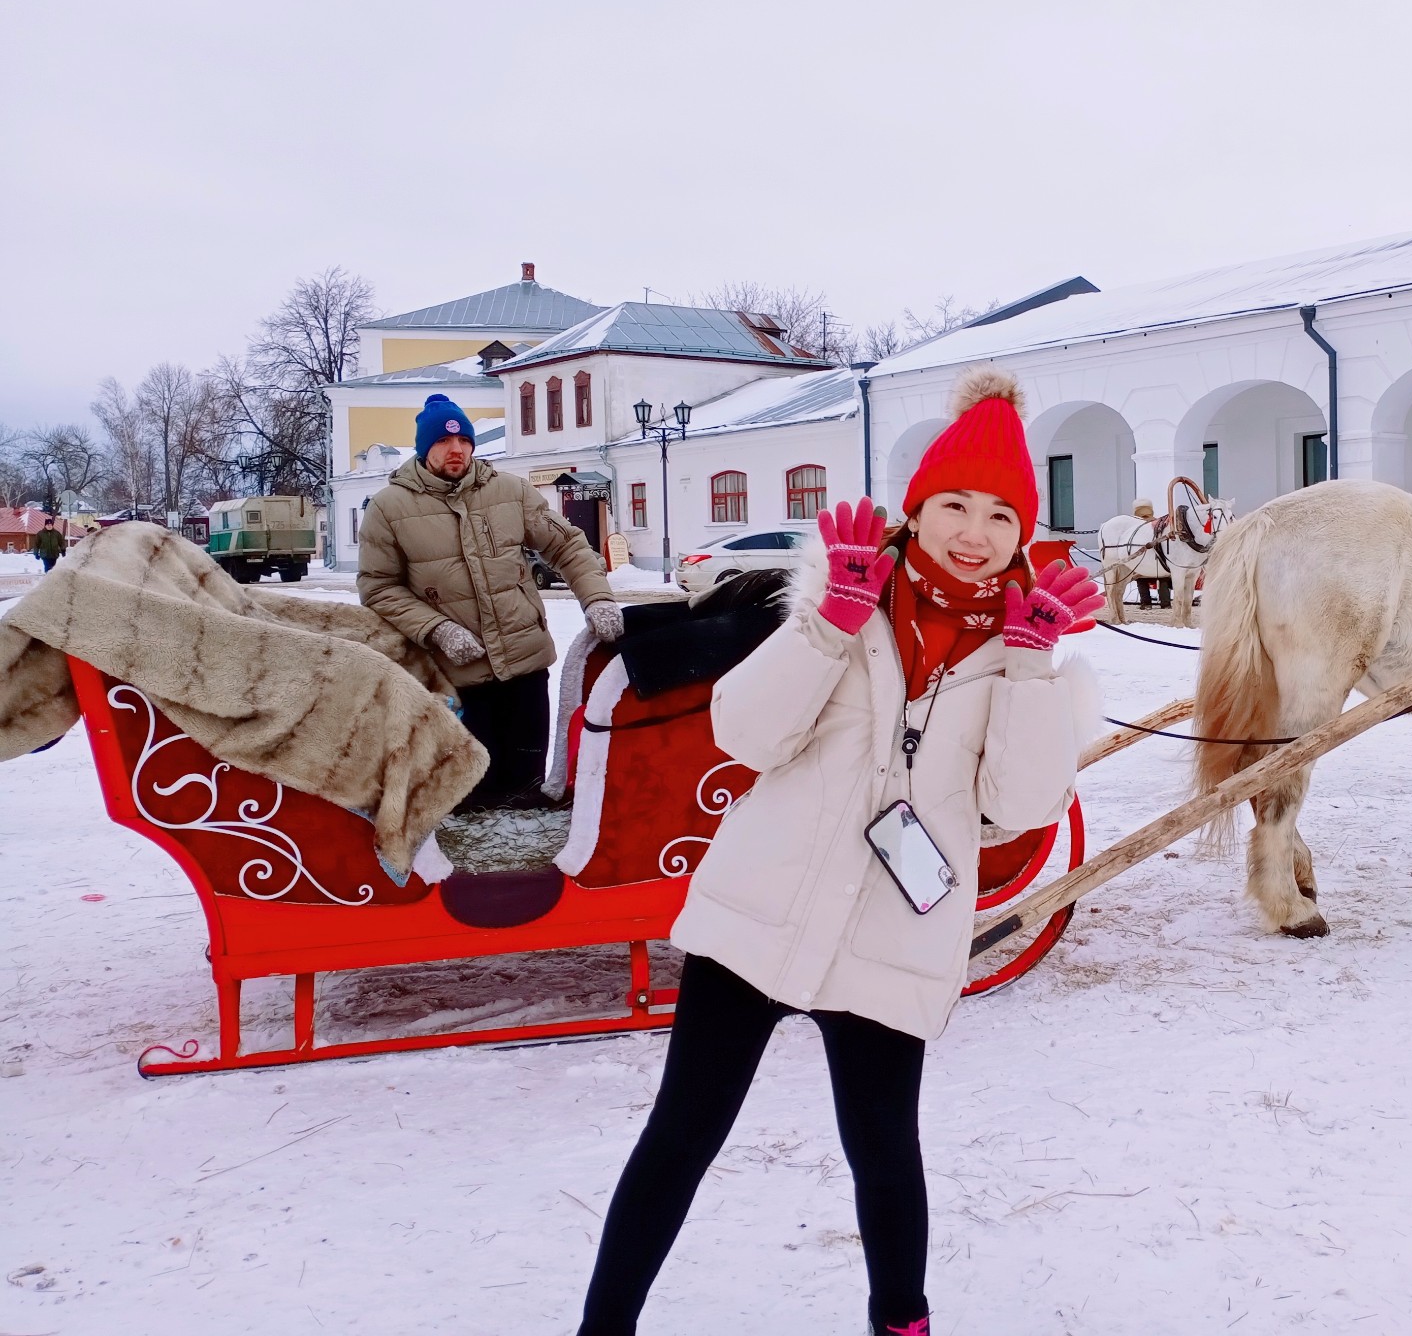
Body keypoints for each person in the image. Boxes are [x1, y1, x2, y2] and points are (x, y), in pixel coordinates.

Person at [577, 367, 1104, 1336]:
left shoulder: (1025, 649)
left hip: (888, 939)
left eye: (998, 514)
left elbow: (1018, 807)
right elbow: (743, 733)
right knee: (680, 1139)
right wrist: (826, 626)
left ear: (1023, 531)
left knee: (883, 1156)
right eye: (952, 503)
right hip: (757, 916)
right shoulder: (841, 596)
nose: (972, 532)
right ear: (917, 505)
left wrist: (1031, 669)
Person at [357, 393, 624, 810]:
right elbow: (378, 587)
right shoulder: (390, 508)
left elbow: (569, 547)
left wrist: (597, 599)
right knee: (472, 791)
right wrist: (436, 629)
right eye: (444, 442)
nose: (456, 449)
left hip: (525, 663)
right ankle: (470, 870)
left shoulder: (510, 492)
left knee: (526, 786)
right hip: (457, 675)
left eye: (464, 440)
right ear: (425, 448)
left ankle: (530, 863)